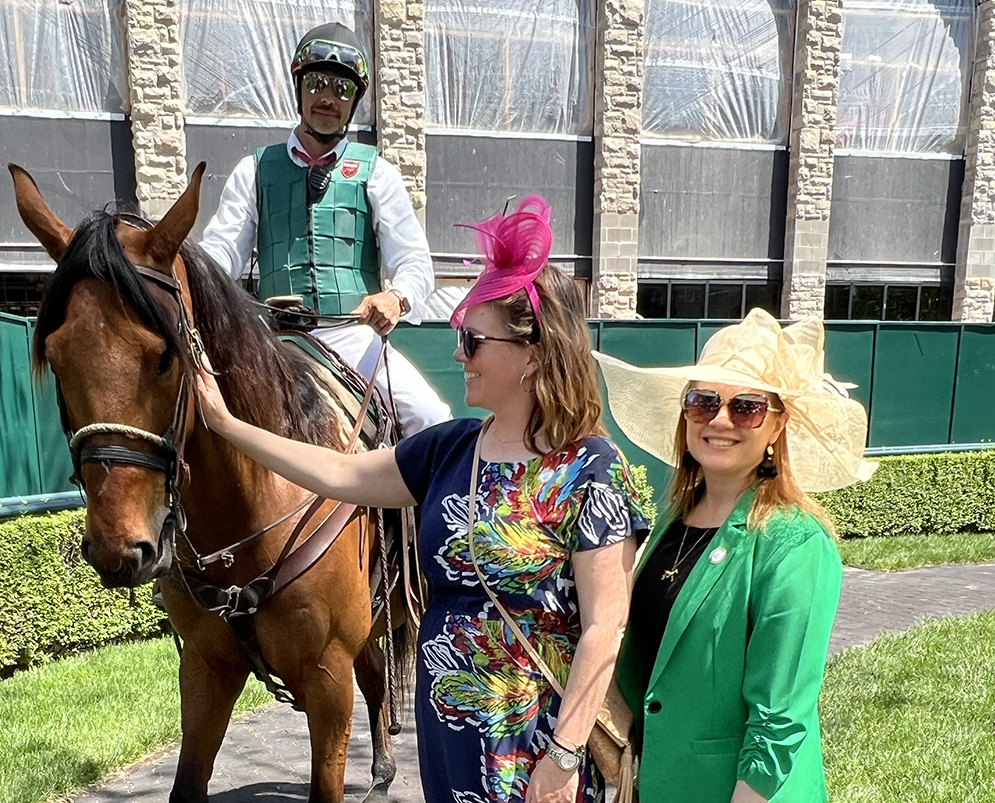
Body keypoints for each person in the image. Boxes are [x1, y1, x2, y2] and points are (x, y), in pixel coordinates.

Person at [194, 197, 650, 803]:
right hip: (449, 733)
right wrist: (227, 426)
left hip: (538, 740)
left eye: (473, 338)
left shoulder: (590, 469)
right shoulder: (450, 450)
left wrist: (564, 758)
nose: (458, 352)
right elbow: (337, 472)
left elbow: (604, 629)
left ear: (534, 352)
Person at [591, 309, 877, 803]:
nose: (719, 419)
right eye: (703, 401)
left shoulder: (795, 542)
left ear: (776, 425)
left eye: (745, 406)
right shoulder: (670, 522)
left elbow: (780, 718)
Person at [199, 22, 451, 435]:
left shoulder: (378, 173)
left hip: (353, 339)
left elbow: (415, 262)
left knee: (432, 419)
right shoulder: (253, 170)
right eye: (317, 83)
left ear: (354, 102)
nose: (328, 98)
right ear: (299, 88)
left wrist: (395, 298)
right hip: (271, 339)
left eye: (342, 89)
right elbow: (221, 253)